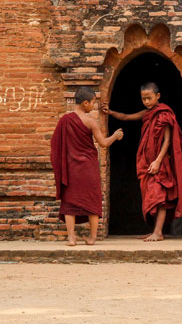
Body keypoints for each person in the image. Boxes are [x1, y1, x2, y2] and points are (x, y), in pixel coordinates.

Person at [104, 82, 182, 241]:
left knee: (161, 196)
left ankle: (158, 232)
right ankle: (156, 231)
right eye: (144, 99)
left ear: (158, 96)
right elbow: (127, 117)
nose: (147, 102)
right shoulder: (147, 113)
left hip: (160, 162)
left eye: (149, 98)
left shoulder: (164, 114)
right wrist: (110, 112)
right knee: (154, 197)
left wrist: (157, 161)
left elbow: (168, 141)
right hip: (148, 163)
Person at [49, 86, 123, 246]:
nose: (93, 106)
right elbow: (103, 143)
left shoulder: (64, 120)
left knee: (69, 202)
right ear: (85, 103)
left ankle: (71, 238)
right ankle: (92, 238)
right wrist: (115, 136)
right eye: (93, 103)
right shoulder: (90, 121)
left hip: (71, 168)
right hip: (88, 167)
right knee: (92, 201)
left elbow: (55, 144)